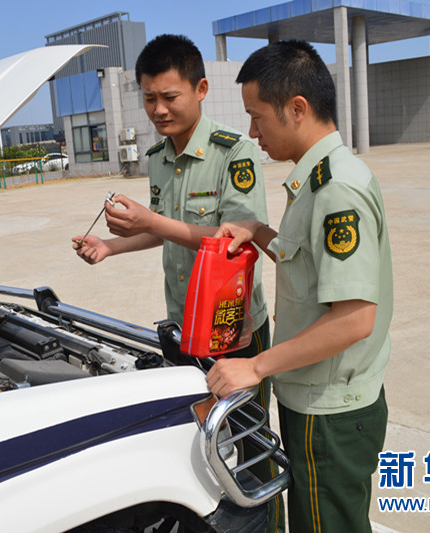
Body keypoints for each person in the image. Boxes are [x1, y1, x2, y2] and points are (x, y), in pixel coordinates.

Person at [73, 34, 284, 532]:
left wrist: (151, 220)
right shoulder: (157, 157)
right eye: (149, 98)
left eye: (170, 97)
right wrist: (111, 245)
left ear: (201, 89)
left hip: (233, 330)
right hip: (185, 328)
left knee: (249, 443)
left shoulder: (234, 153)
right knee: (199, 439)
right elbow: (166, 230)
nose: (159, 110)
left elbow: (235, 239)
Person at [206, 40, 393, 533]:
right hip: (315, 397)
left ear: (296, 108)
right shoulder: (316, 180)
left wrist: (255, 366)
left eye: (257, 117)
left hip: (327, 409)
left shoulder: (336, 189)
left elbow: (355, 318)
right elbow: (310, 265)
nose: (252, 132)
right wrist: (258, 231)